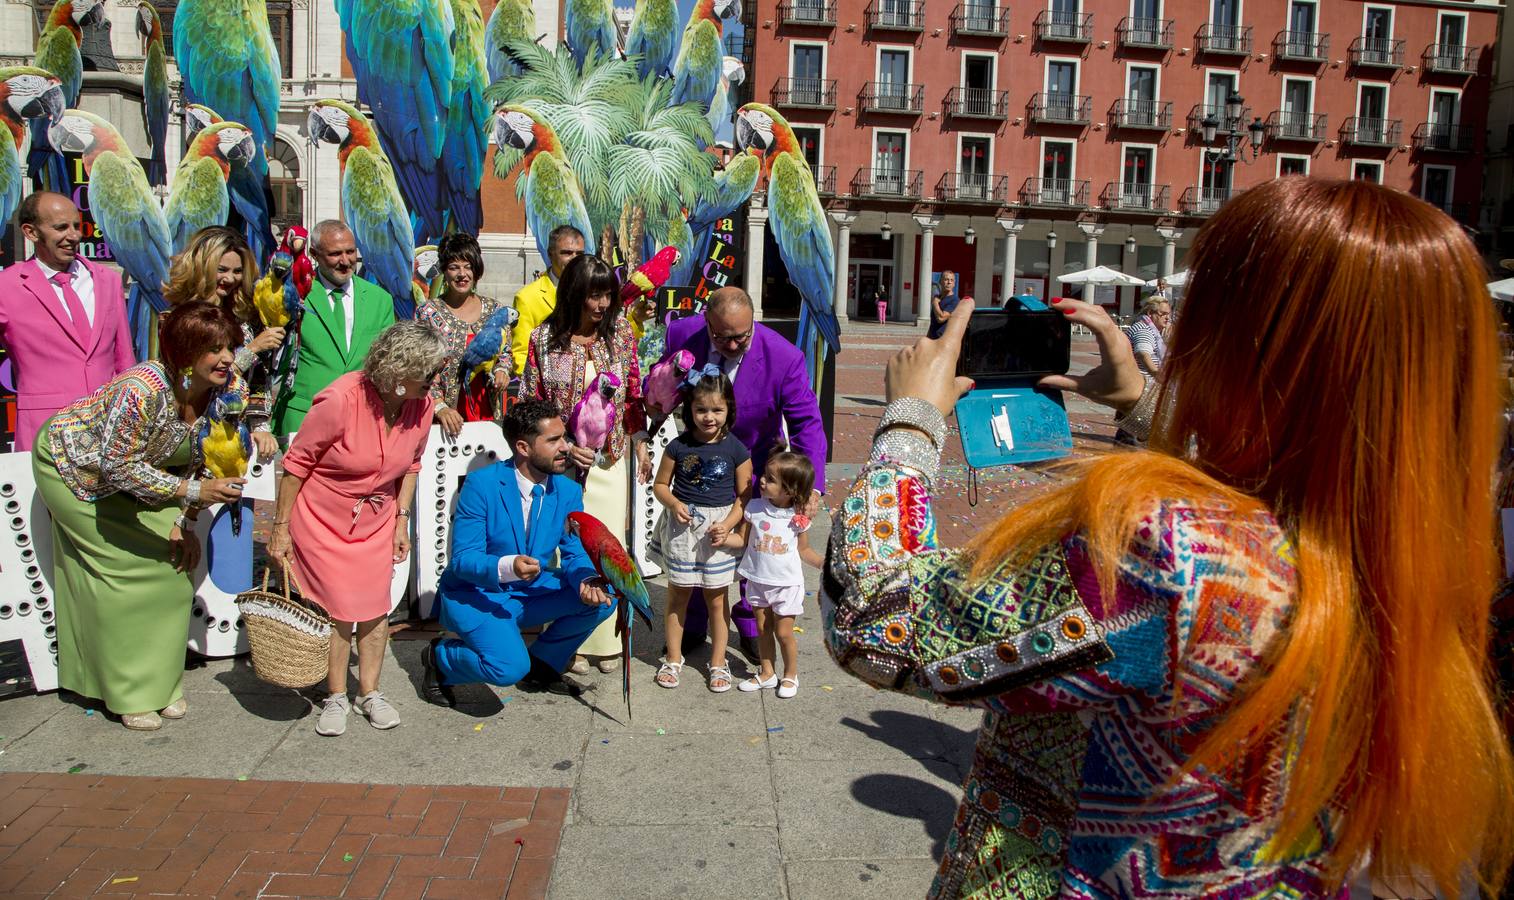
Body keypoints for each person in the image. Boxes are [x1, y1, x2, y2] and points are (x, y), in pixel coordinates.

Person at [823, 179, 1514, 896]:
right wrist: (1146, 406)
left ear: (1243, 342)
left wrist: (910, 421)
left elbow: (877, 620)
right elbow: (1290, 481)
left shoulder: (1166, 551)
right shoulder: (1430, 554)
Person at [33, 302, 250, 731]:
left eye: (231, 346)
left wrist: (186, 522)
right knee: (124, 576)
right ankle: (125, 694)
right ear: (184, 352)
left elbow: (207, 462)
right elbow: (116, 466)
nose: (227, 357)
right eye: (214, 349)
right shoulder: (141, 389)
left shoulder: (231, 389)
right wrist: (191, 492)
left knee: (174, 568)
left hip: (144, 476)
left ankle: (160, 688)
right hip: (73, 469)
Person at [268, 322, 444, 737]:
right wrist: (280, 528)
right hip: (322, 519)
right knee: (337, 609)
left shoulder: (421, 405)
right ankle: (334, 696)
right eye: (429, 373)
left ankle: (370, 692)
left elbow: (412, 465)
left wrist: (402, 520)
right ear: (400, 371)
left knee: (374, 607)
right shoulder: (341, 399)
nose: (435, 381)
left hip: (377, 517)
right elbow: (296, 465)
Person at [662, 287, 828, 660]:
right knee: (701, 544)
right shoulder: (679, 334)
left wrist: (810, 486)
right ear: (707, 324)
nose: (734, 344)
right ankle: (692, 623)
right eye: (723, 337)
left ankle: (751, 625)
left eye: (742, 335)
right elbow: (661, 389)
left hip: (754, 464)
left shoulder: (784, 356)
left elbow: (807, 424)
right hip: (698, 463)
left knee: (755, 547)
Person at [419, 399, 616, 702]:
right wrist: (508, 566)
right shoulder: (481, 484)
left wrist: (587, 579)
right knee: (507, 669)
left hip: (530, 592)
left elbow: (575, 553)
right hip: (478, 595)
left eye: (564, 436)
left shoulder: (568, 490)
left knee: (604, 597)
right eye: (554, 440)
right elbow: (462, 559)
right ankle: (440, 658)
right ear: (523, 448)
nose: (566, 447)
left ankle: (543, 664)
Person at [521, 253, 650, 674]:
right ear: (573, 294)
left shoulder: (622, 338)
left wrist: (641, 442)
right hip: (558, 466)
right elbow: (530, 401)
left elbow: (633, 395)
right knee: (562, 552)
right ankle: (565, 641)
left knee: (608, 552)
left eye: (607, 296)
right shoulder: (543, 339)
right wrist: (557, 446)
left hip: (609, 466)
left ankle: (607, 643)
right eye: (593, 296)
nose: (600, 305)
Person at [0, 191, 136, 450]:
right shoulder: (6, 287)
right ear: (31, 232)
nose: (73, 236)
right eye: (61, 227)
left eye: (76, 225)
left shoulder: (106, 280)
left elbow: (124, 360)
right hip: (46, 433)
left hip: (108, 431)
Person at [650, 370, 750, 692]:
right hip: (683, 531)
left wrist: (730, 524)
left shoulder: (736, 449)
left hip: (717, 534)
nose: (709, 417)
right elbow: (660, 485)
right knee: (678, 594)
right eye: (701, 410)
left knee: (717, 600)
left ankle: (718, 662)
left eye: (717, 410)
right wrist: (673, 503)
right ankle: (674, 658)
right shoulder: (678, 446)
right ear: (689, 410)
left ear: (728, 410)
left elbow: (744, 496)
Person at [163, 226, 281, 460]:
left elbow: (259, 378)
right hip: (193, 431)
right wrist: (251, 350)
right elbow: (187, 380)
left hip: (237, 435)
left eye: (237, 271)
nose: (230, 279)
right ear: (202, 267)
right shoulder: (178, 318)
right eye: (222, 270)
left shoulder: (247, 315)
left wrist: (259, 425)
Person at [271, 220, 397, 437]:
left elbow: (388, 360)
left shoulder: (380, 299)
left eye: (350, 252)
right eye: (335, 254)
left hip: (363, 418)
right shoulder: (295, 295)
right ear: (314, 254)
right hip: (305, 417)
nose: (345, 261)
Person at [724, 451, 821, 698]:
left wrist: (824, 563)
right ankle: (767, 673)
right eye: (765, 475)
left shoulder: (797, 519)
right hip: (757, 580)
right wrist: (723, 536)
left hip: (786, 585)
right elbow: (742, 540)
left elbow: (805, 550)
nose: (762, 481)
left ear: (789, 490)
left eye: (771, 479)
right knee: (762, 629)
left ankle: (790, 675)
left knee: (784, 633)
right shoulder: (754, 509)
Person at [416, 233, 510, 437]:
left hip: (487, 415)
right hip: (445, 420)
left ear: (477, 270)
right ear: (444, 271)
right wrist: (440, 406)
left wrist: (502, 369)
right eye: (454, 267)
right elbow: (421, 366)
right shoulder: (428, 313)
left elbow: (505, 352)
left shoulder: (495, 310)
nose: (462, 274)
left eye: (468, 266)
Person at [509, 225, 585, 378]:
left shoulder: (593, 292)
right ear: (550, 254)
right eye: (567, 253)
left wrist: (635, 320)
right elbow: (521, 354)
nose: (574, 259)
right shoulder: (527, 298)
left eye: (579, 253)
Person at [1126, 295, 1170, 377]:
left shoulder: (1153, 330)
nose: (1167, 318)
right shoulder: (1143, 329)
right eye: (1163, 314)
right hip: (1143, 384)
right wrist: (1158, 376)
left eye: (1168, 314)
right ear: (1150, 313)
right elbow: (1142, 353)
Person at [927, 269, 960, 340]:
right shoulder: (938, 298)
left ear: (954, 284)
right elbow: (933, 322)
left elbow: (941, 318)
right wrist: (927, 338)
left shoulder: (954, 300)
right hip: (933, 339)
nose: (949, 282)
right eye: (946, 279)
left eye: (951, 280)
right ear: (940, 282)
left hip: (943, 341)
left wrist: (935, 303)